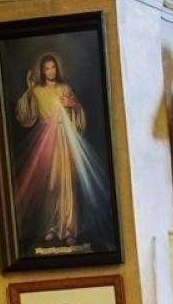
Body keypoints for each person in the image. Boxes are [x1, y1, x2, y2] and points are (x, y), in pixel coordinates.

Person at [13, 51, 111, 246]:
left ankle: (68, 228)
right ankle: (50, 226)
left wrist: (73, 105)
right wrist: (30, 90)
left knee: (67, 184)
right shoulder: (38, 91)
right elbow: (25, 116)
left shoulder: (65, 88)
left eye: (53, 67)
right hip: (45, 143)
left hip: (65, 140)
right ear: (42, 71)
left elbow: (79, 117)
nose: (50, 71)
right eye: (46, 68)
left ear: (57, 68)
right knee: (50, 185)